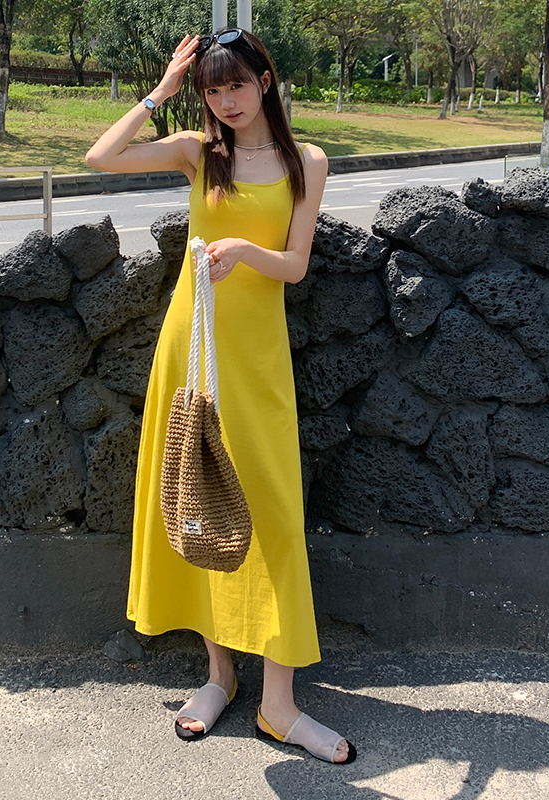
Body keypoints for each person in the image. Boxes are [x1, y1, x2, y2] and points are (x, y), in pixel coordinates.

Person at [85, 28, 355, 765]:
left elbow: (295, 265)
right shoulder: (198, 152)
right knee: (198, 501)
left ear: (264, 81)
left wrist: (244, 251)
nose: (225, 101)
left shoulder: (306, 162)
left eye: (236, 85)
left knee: (273, 515)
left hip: (257, 361)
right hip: (192, 352)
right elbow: (100, 157)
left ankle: (279, 705)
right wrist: (162, 91)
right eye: (212, 89)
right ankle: (219, 676)